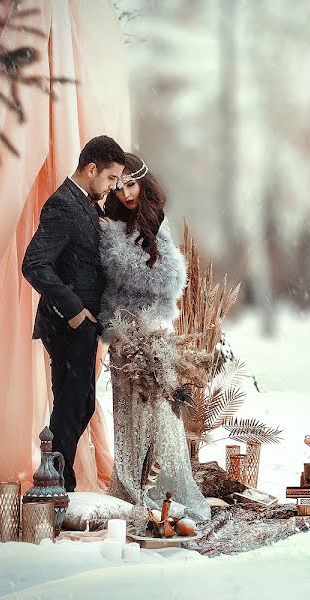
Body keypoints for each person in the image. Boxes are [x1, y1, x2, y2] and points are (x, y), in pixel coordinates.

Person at [99, 153, 210, 521]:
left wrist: (148, 282)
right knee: (129, 414)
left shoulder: (154, 223)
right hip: (125, 334)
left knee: (161, 415)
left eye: (129, 183)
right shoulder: (110, 228)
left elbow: (171, 278)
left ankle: (164, 489)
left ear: (143, 181)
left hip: (156, 332)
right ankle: (133, 488)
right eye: (117, 187)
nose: (124, 193)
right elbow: (125, 273)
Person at [21, 135, 126, 492]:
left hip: (84, 326)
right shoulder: (63, 205)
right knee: (71, 408)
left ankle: (56, 477)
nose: (113, 187)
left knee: (80, 407)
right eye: (111, 178)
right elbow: (34, 265)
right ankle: (56, 486)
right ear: (91, 168)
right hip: (66, 323)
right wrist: (75, 310)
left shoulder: (88, 205)